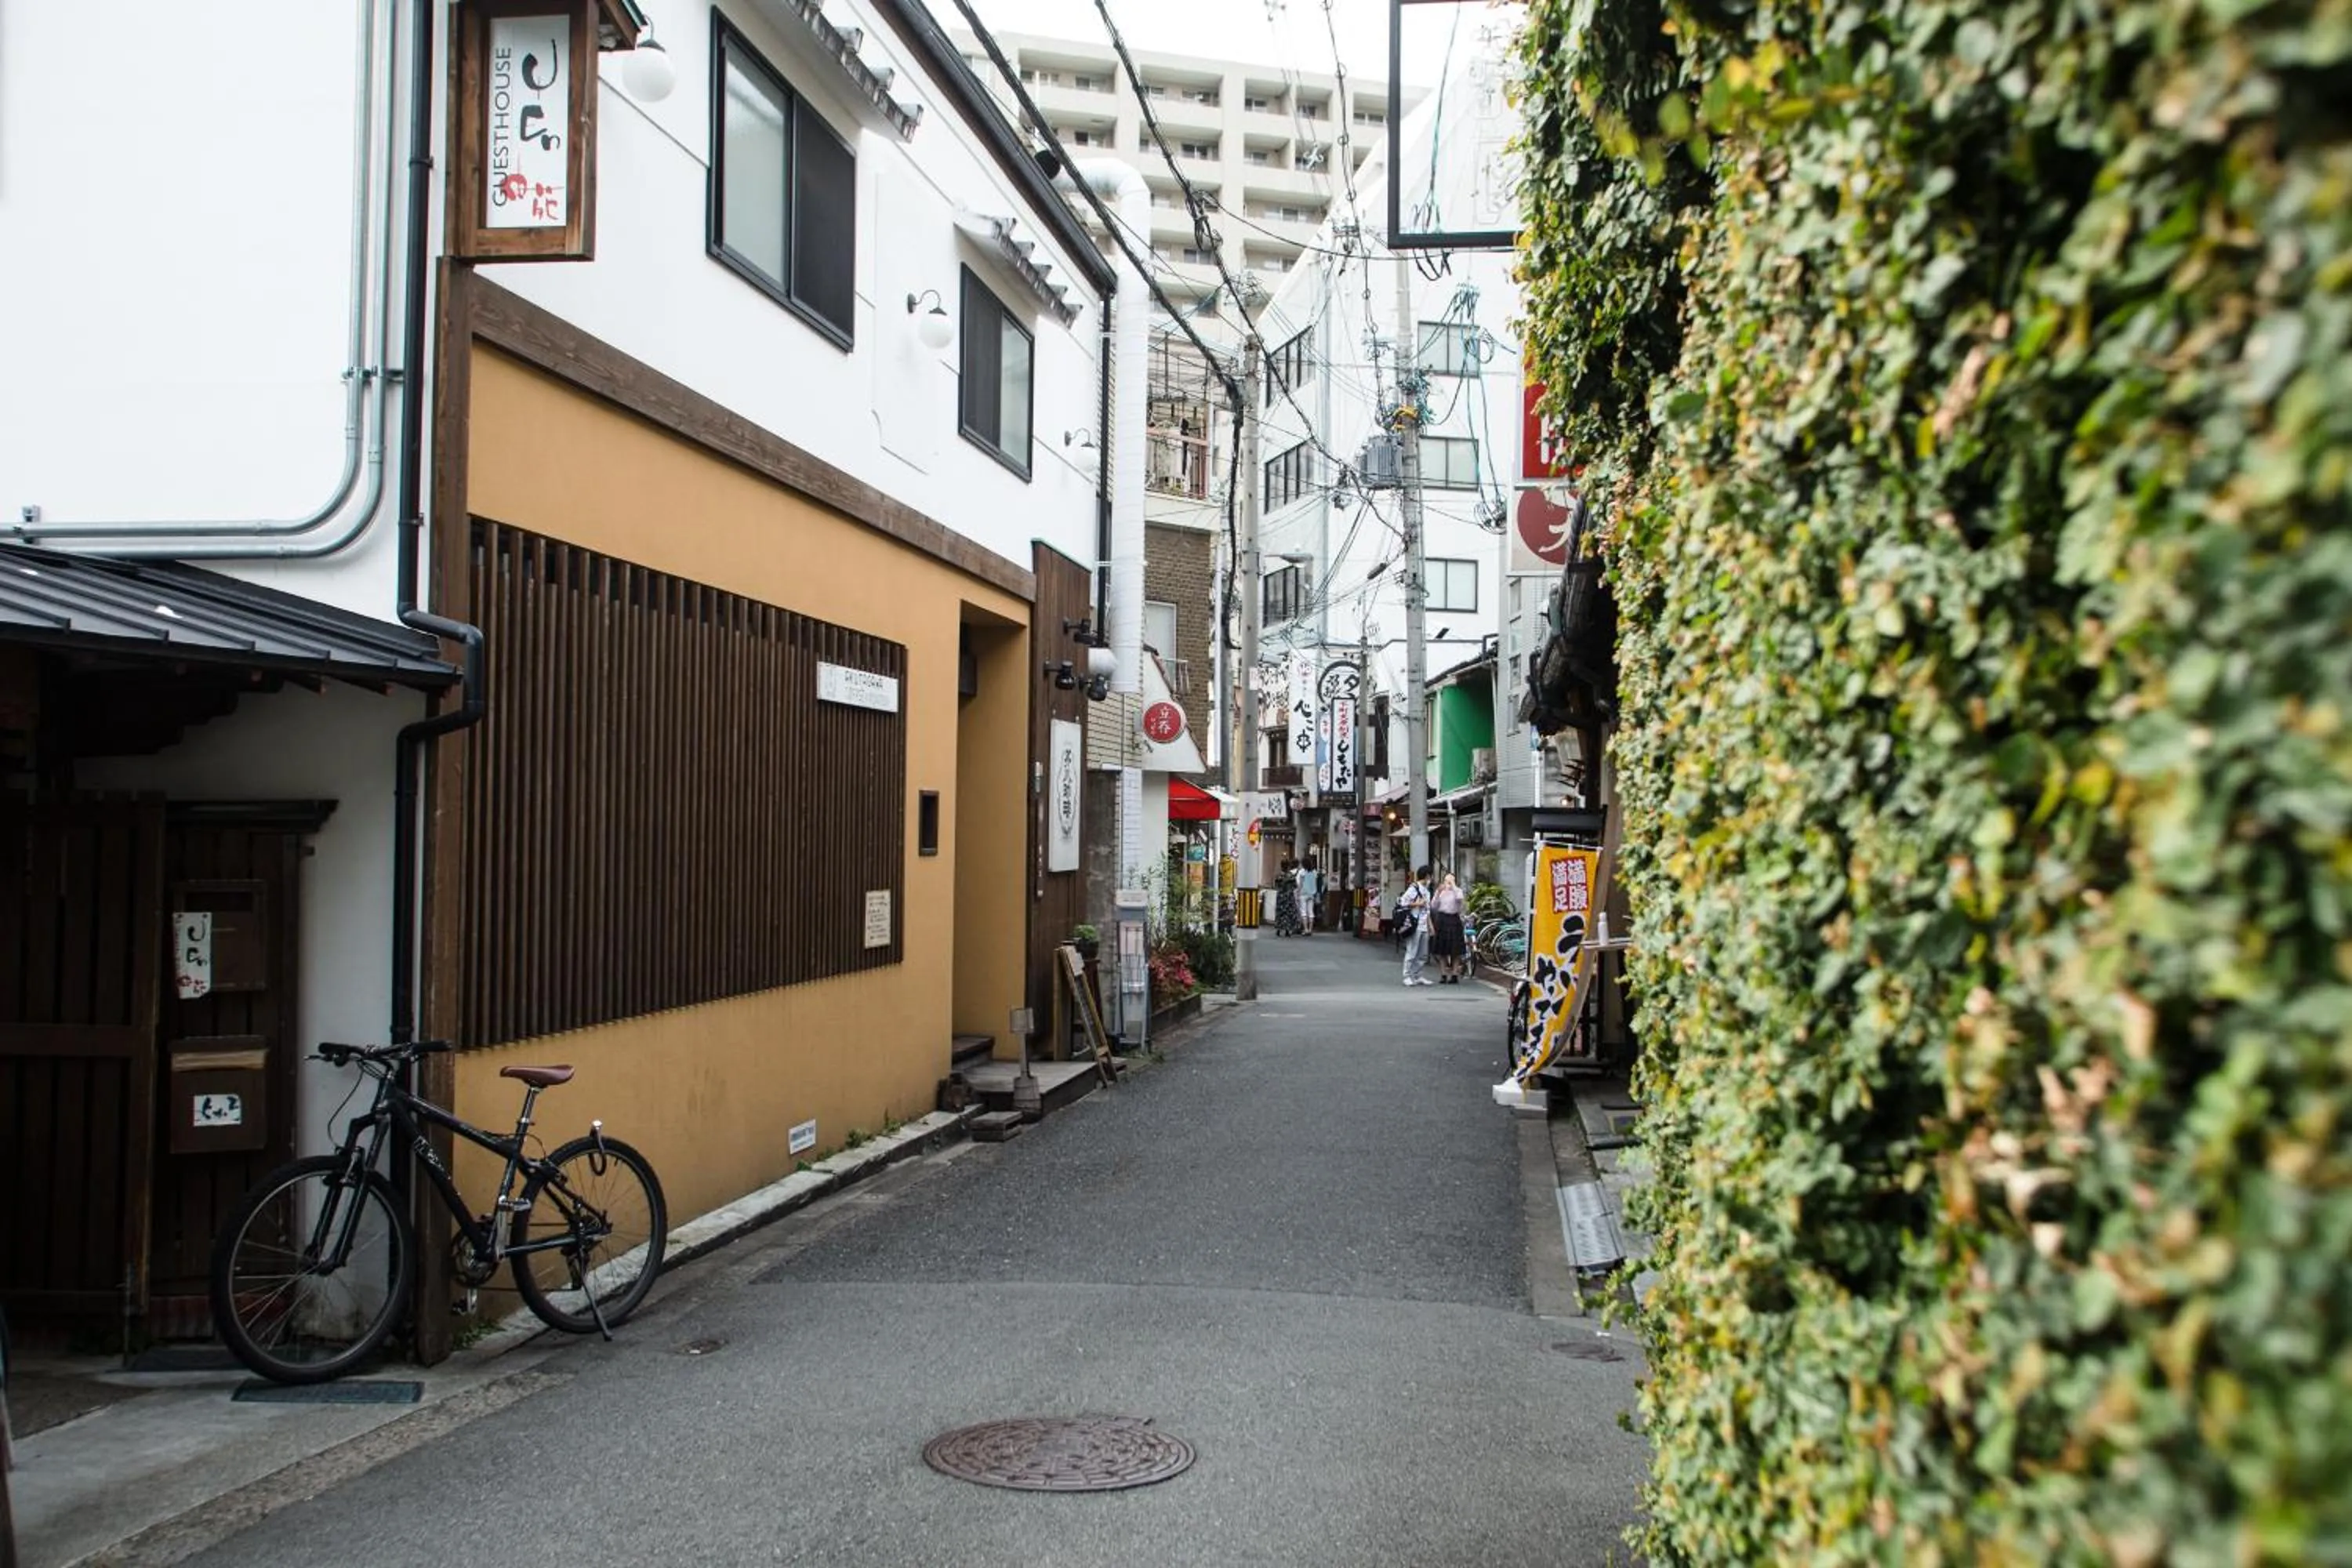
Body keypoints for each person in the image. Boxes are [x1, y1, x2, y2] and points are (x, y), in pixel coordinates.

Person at [1398, 866, 1434, 986]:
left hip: (1424, 924)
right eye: (1431, 876)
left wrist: (1430, 926)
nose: (1431, 879)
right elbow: (1403, 902)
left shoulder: (1427, 891)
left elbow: (1427, 911)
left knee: (1423, 953)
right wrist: (1417, 904)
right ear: (1427, 876)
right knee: (1412, 951)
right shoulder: (1414, 888)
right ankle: (1407, 976)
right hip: (1414, 924)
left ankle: (1418, 975)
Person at [1430, 872, 1468, 983]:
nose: (1449, 883)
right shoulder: (1441, 892)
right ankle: (1443, 974)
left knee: (1455, 950)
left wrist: (1454, 886)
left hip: (1454, 919)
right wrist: (1438, 892)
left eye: (1451, 880)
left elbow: (1460, 899)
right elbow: (1433, 906)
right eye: (1447, 881)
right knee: (1442, 950)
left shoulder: (1458, 891)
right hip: (1442, 919)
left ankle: (1455, 974)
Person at [1295, 857, 1321, 935]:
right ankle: (1310, 930)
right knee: (1311, 912)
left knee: (1304, 912)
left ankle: (1306, 929)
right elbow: (1315, 883)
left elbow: (1301, 884)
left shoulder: (1302, 872)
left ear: (1303, 864)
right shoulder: (1314, 872)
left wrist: (1298, 893)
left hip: (1303, 893)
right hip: (1312, 893)